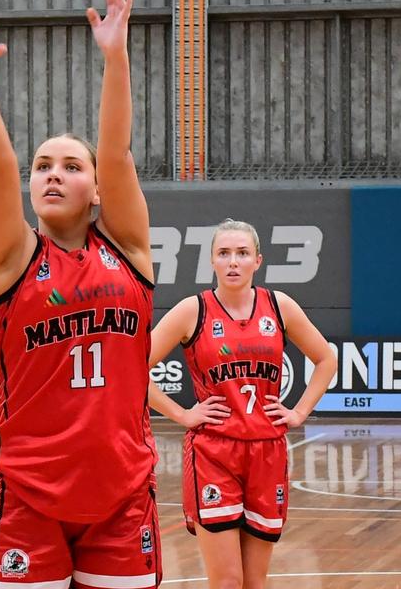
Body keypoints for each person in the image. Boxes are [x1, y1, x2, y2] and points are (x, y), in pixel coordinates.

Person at [0, 0, 160, 589]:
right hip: (26, 492)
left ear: (96, 190)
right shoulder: (12, 261)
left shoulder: (126, 249)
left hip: (122, 492)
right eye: (44, 165)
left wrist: (116, 55)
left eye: (72, 167)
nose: (52, 175)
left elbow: (118, 151)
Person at [148, 219, 337, 589]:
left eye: (242, 253)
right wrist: (181, 414)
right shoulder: (193, 310)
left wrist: (299, 412)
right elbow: (135, 366)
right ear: (212, 262)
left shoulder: (279, 306)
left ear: (257, 260)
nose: (233, 261)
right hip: (214, 453)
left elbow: (326, 359)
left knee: (255, 581)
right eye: (224, 253)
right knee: (227, 581)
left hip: (268, 452)